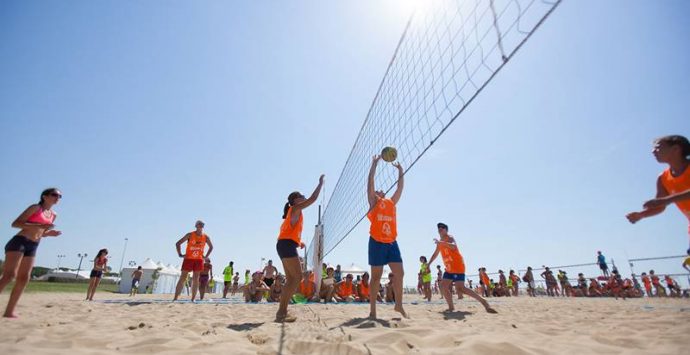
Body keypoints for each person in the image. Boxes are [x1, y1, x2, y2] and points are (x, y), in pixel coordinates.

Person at [0, 188, 62, 318]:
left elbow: (41, 233)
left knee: (24, 278)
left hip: (33, 245)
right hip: (20, 241)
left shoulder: (53, 214)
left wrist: (49, 234)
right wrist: (39, 226)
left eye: (59, 196)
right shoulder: (35, 208)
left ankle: (9, 311)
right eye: (54, 194)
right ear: (45, 196)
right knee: (9, 275)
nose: (57, 197)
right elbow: (16, 224)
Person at [627, 135, 690, 251]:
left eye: (658, 147)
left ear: (676, 149)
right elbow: (660, 206)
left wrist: (666, 200)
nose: (653, 151)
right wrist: (641, 215)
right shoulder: (663, 178)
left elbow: (663, 201)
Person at [275, 175, 324, 322]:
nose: (304, 197)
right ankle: (281, 312)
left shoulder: (295, 211)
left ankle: (282, 312)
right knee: (297, 278)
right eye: (301, 196)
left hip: (285, 245)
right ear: (295, 200)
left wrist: (299, 242)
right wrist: (320, 184)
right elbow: (313, 199)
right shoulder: (295, 208)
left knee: (291, 279)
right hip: (286, 245)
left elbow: (289, 233)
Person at [366, 155, 407, 319]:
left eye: (380, 190)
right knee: (376, 277)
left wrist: (401, 171)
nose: (379, 190)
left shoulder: (390, 202)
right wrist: (374, 165)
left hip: (391, 242)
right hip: (376, 242)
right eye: (377, 190)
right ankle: (373, 311)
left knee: (400, 273)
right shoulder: (373, 202)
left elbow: (399, 189)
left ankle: (398, 305)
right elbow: (370, 184)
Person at [427, 223, 496, 313]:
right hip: (449, 268)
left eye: (442, 228)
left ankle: (484, 301)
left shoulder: (450, 238)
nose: (440, 230)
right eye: (438, 229)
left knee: (461, 289)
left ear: (446, 230)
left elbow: (454, 246)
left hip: (457, 266)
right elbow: (435, 254)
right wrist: (429, 264)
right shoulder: (440, 242)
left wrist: (441, 243)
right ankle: (451, 307)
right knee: (443, 286)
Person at [173, 220, 214, 302]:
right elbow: (178, 243)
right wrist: (180, 254)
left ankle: (193, 298)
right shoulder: (190, 235)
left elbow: (211, 247)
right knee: (183, 277)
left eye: (202, 224)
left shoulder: (205, 237)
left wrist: (205, 256)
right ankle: (175, 297)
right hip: (188, 258)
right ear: (196, 226)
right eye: (199, 224)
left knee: (196, 278)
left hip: (199, 259)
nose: (201, 225)